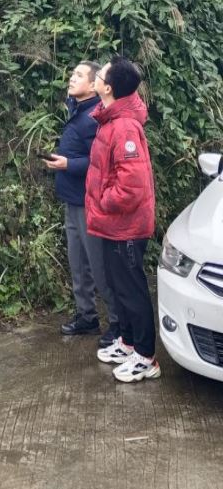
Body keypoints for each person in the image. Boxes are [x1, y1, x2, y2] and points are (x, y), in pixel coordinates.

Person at [85, 56, 160, 382]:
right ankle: (128, 343)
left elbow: (132, 186)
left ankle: (146, 357)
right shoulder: (111, 119)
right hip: (114, 225)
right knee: (119, 286)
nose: (96, 76)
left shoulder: (124, 126)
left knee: (131, 290)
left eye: (100, 74)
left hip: (126, 226)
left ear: (108, 87)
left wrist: (104, 201)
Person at [44, 61, 119, 347]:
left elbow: (102, 161)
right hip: (72, 201)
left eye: (79, 75)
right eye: (72, 73)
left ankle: (118, 323)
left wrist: (68, 164)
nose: (72, 78)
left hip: (90, 203)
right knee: (78, 264)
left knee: (98, 266)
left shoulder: (96, 117)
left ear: (93, 85)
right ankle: (87, 316)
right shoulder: (77, 110)